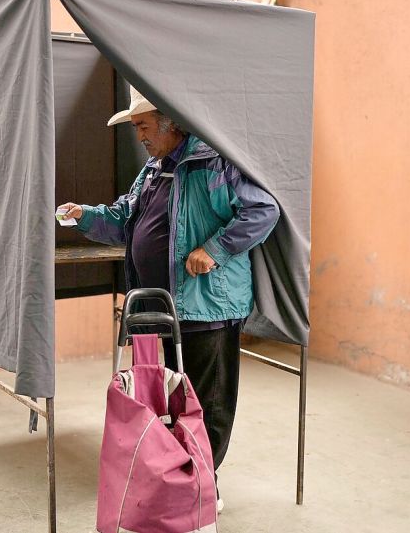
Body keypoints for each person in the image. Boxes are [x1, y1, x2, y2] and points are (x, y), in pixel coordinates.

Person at [58, 87, 280, 510]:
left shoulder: (213, 164)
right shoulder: (155, 169)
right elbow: (124, 221)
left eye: (143, 126)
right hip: (167, 309)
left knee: (209, 402)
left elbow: (263, 210)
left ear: (169, 122)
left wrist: (214, 249)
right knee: (178, 398)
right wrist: (84, 216)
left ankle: (204, 488)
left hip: (208, 306)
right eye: (136, 128)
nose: (139, 136)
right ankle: (185, 479)